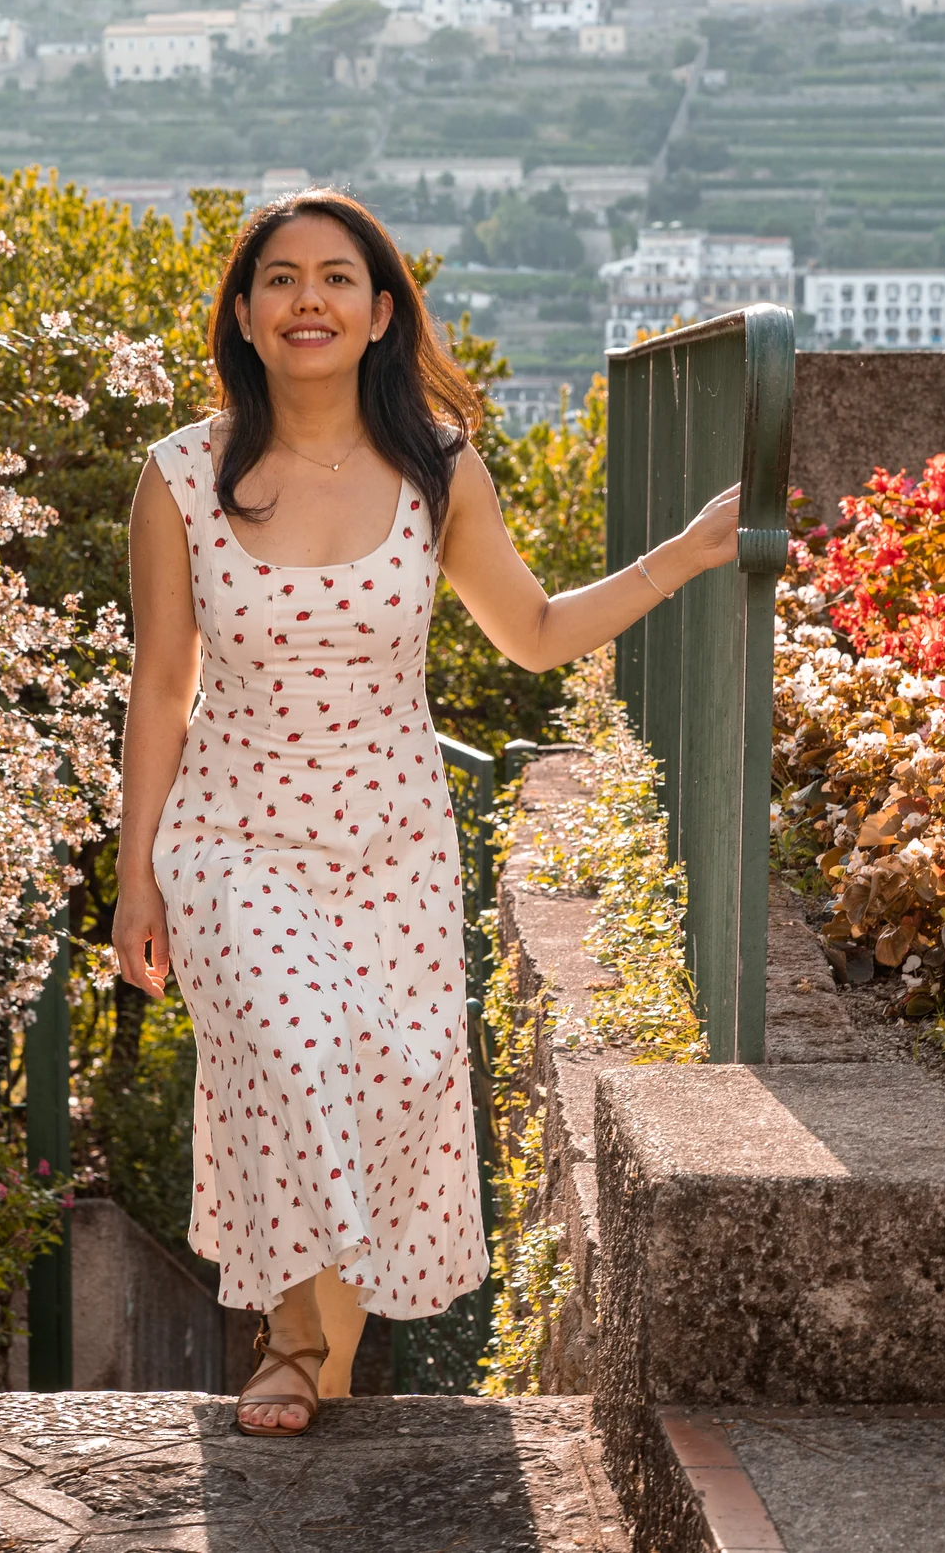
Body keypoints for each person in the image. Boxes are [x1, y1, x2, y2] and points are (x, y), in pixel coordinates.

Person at [112, 189, 740, 1435]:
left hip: (395, 847)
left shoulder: (437, 471)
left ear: (381, 309)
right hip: (232, 840)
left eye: (337, 278)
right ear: (243, 312)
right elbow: (163, 685)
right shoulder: (181, 477)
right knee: (297, 1053)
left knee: (384, 1085)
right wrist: (138, 875)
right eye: (280, 278)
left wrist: (677, 557)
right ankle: (290, 1345)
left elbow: (535, 632)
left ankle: (324, 1379)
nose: (308, 300)